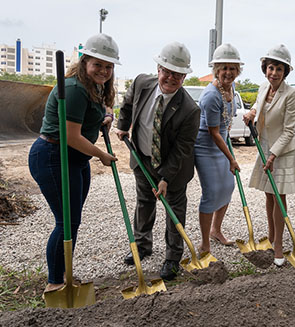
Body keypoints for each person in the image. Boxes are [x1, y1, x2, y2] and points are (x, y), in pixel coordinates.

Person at [28, 33, 120, 293]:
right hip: (53, 156)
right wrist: (101, 154)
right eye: (98, 64)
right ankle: (55, 282)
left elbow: (89, 116)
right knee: (65, 221)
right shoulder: (74, 88)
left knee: (73, 220)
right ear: (85, 61)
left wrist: (103, 118)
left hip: (76, 159)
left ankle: (64, 274)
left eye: (108, 66)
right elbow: (70, 135)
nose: (103, 70)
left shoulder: (94, 86)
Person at [116, 42, 200, 281]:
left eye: (178, 74)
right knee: (144, 203)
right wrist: (122, 127)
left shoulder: (190, 110)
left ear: (184, 76)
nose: (171, 77)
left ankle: (173, 258)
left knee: (174, 210)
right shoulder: (142, 83)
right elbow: (127, 105)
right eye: (167, 71)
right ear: (158, 68)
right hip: (142, 157)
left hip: (173, 168)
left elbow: (182, 149)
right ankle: (142, 246)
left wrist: (165, 178)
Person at [243, 44, 295, 267]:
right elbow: (259, 107)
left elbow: (289, 130)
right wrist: (251, 113)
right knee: (268, 194)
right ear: (265, 68)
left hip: (282, 151)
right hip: (264, 146)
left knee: (279, 196)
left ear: (285, 72)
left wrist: (274, 155)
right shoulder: (263, 87)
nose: (273, 73)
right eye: (270, 68)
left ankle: (278, 246)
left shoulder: (291, 95)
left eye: (278, 69)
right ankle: (271, 236)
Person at [194, 43, 243, 254]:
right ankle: (204, 242)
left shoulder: (231, 89)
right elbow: (214, 132)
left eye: (232, 68)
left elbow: (225, 127)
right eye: (224, 68)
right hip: (205, 146)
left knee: (228, 187)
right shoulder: (211, 96)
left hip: (222, 144)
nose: (228, 73)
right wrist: (232, 158)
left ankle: (216, 230)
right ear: (216, 70)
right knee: (212, 192)